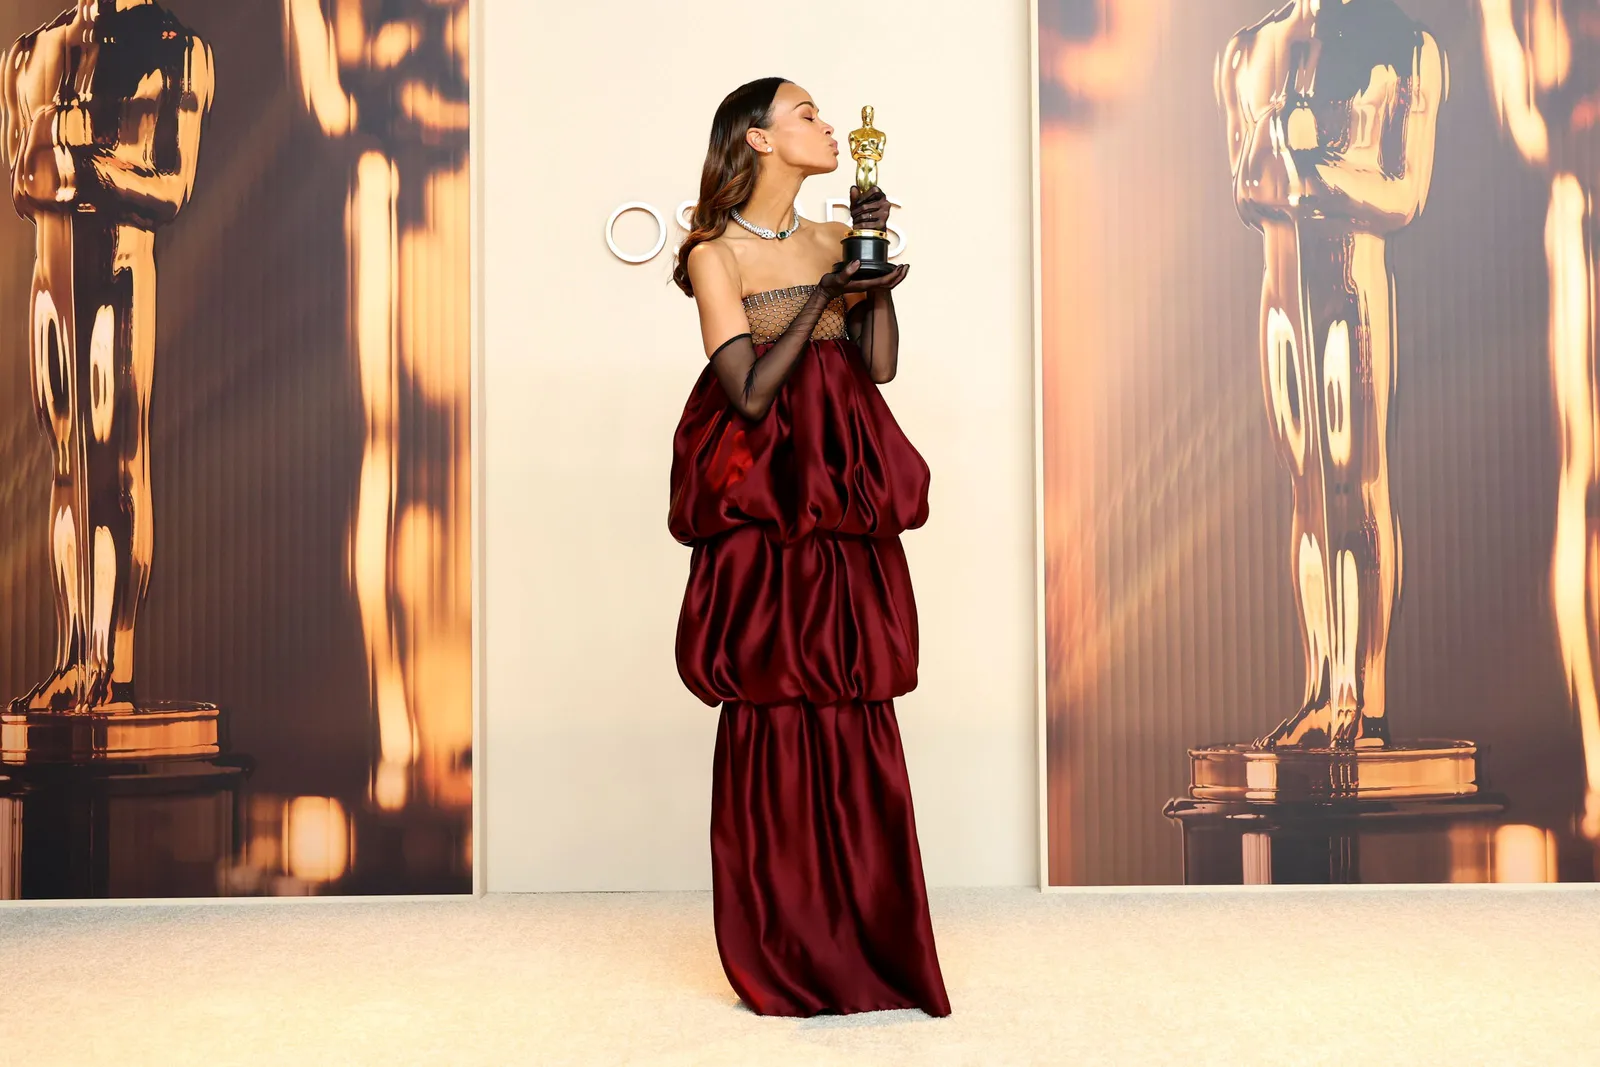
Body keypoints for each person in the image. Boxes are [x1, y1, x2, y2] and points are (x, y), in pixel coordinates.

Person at [668, 77, 950, 1018]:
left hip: (843, 491)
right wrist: (824, 290)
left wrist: (868, 284)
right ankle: (786, 937)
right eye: (806, 114)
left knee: (852, 686)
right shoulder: (716, 253)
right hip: (767, 497)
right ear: (757, 139)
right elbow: (746, 393)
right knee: (775, 694)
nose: (828, 127)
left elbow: (876, 366)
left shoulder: (837, 234)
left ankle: (871, 933)